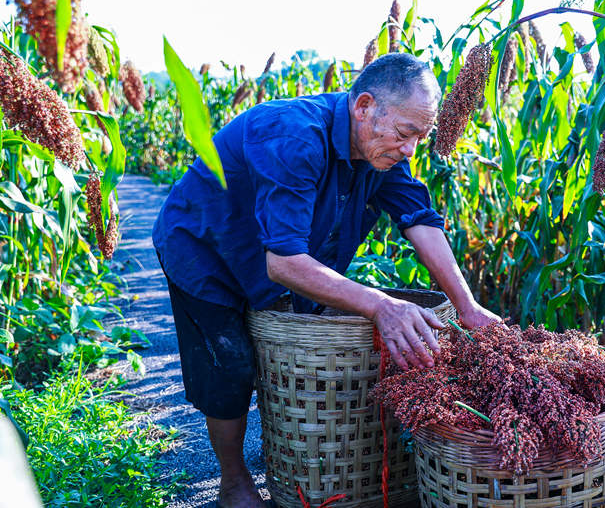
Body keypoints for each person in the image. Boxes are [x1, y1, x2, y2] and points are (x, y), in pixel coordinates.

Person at [152, 53, 501, 507]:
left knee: (289, 357)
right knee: (229, 368)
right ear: (364, 106)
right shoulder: (295, 135)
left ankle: (287, 456)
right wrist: (380, 305)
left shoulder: (382, 154)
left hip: (271, 251)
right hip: (205, 245)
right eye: (405, 133)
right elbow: (283, 263)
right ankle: (233, 483)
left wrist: (468, 306)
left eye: (420, 136)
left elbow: (420, 219)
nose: (411, 149)